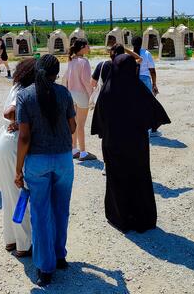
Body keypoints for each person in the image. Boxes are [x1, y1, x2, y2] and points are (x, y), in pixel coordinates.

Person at [15, 54, 77, 287]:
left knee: (40, 214)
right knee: (61, 210)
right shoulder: (64, 93)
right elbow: (72, 127)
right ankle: (60, 255)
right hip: (63, 158)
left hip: (37, 161)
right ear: (56, 73)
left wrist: (18, 169)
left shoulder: (25, 96)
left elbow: (24, 137)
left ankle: (45, 267)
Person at [91, 54, 170, 233]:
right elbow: (154, 114)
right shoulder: (138, 88)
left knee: (117, 178)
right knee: (139, 176)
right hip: (136, 143)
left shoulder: (108, 89)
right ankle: (142, 218)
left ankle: (121, 218)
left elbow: (99, 119)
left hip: (113, 143)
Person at [0, 58, 36, 258]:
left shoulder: (17, 85)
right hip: (14, 142)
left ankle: (10, 239)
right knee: (21, 193)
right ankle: (24, 243)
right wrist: (21, 120)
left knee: (9, 193)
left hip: (3, 140)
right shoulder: (24, 91)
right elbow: (9, 112)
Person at [63, 38, 96, 161]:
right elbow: (87, 82)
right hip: (82, 94)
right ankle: (83, 152)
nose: (89, 47)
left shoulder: (71, 60)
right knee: (81, 124)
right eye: (87, 45)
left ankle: (74, 149)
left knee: (74, 123)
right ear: (82, 47)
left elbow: (67, 78)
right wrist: (91, 96)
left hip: (71, 94)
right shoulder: (84, 61)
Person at [132, 36, 162, 137]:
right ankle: (149, 130)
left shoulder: (129, 54)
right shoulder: (146, 53)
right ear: (142, 43)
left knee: (135, 105)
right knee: (147, 105)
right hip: (145, 80)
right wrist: (154, 84)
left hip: (133, 80)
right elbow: (152, 70)